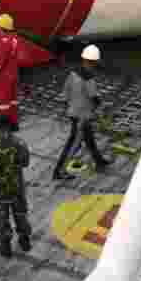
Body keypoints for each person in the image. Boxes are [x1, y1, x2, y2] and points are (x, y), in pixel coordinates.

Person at [54, 45, 111, 180]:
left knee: (89, 138)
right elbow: (94, 97)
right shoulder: (88, 78)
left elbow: (65, 93)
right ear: (93, 62)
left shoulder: (72, 73)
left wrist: (69, 106)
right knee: (74, 143)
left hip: (73, 112)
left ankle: (99, 160)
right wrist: (102, 110)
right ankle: (59, 171)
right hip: (82, 116)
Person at [0, 115, 32, 257]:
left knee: (2, 219)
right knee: (20, 215)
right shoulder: (19, 143)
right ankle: (24, 240)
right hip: (17, 187)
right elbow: (25, 163)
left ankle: (5, 246)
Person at [0, 14, 23, 130]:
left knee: (1, 103)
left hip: (4, 77)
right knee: (13, 101)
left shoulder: (4, 41)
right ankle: (14, 124)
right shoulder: (15, 38)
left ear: (2, 27)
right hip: (14, 74)